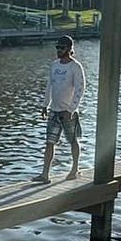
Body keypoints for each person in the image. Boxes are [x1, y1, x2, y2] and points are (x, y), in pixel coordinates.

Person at [40, 32, 86, 183]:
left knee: (73, 141)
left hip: (68, 112)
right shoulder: (54, 65)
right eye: (57, 47)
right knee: (49, 142)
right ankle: (45, 175)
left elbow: (80, 89)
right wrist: (45, 105)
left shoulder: (75, 67)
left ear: (69, 49)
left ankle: (75, 169)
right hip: (54, 110)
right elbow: (50, 86)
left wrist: (71, 110)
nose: (58, 50)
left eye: (61, 48)